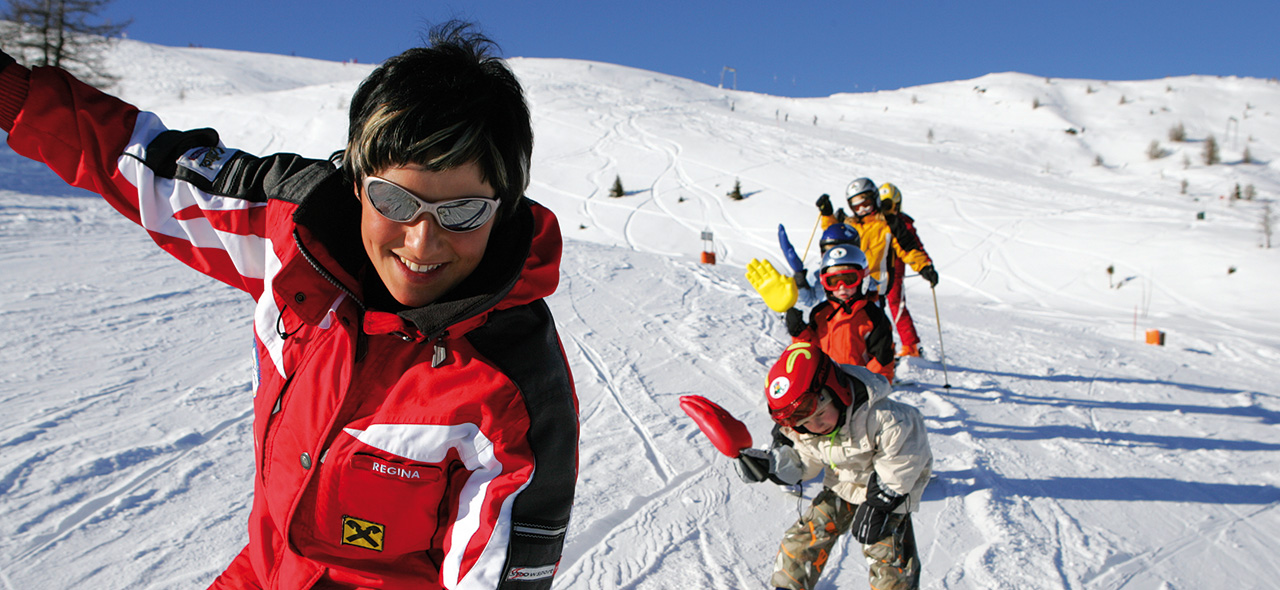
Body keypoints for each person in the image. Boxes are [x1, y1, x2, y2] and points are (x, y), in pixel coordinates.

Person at [1, 22, 577, 590]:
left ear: (501, 210)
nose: (421, 243)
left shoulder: (515, 391)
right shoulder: (296, 234)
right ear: (355, 181)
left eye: (461, 213)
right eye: (395, 201)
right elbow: (142, 162)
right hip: (264, 570)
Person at [736, 342, 932, 590]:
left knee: (886, 550)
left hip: (888, 489)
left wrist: (882, 500)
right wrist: (774, 465)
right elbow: (807, 466)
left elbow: (907, 455)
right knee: (807, 533)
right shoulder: (808, 431)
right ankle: (789, 585)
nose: (816, 426)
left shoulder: (883, 416)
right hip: (843, 484)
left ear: (837, 391)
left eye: (820, 414)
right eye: (806, 423)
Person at [786, 244, 896, 382]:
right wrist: (799, 333)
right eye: (833, 281)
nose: (841, 287)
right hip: (825, 385)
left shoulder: (872, 316)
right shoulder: (821, 313)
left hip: (859, 388)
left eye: (849, 280)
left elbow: (882, 360)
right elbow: (811, 351)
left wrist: (867, 388)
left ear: (863, 278)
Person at [877, 183, 931, 357]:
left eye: (888, 206)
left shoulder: (903, 225)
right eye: (881, 206)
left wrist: (925, 266)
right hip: (875, 270)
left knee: (895, 304)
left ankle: (911, 345)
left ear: (897, 205)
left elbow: (914, 246)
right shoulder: (876, 223)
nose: (885, 211)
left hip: (894, 270)